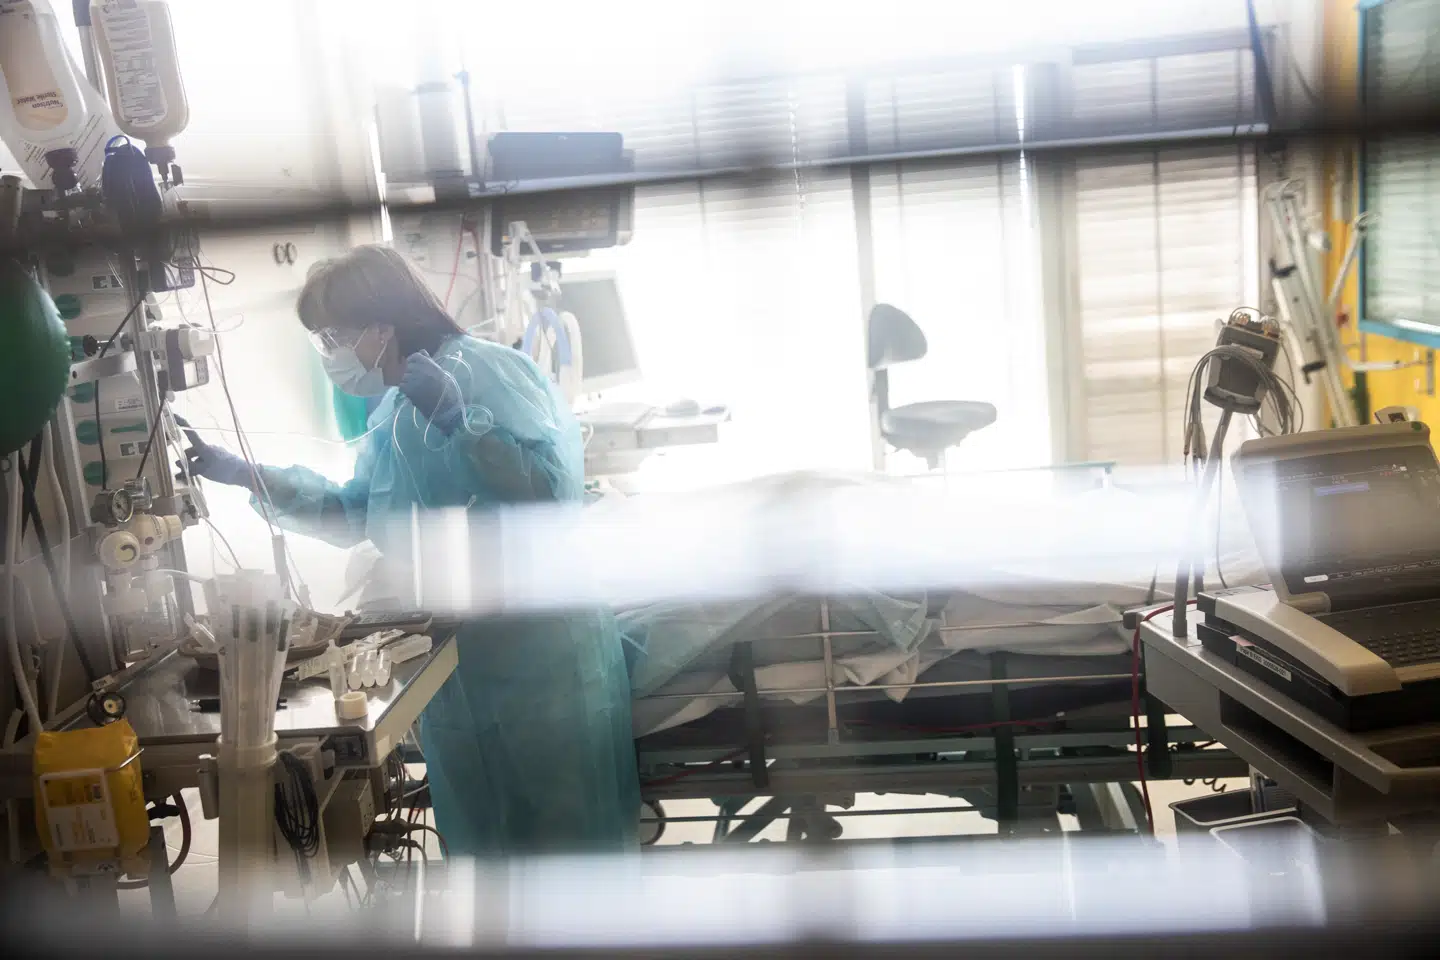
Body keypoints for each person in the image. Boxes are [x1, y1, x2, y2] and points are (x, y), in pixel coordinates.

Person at [177, 244, 639, 856]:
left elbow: (551, 494)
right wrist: (246, 475)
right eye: (321, 339)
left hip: (540, 654)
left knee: (569, 849)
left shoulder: (486, 373)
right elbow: (354, 512)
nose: (330, 353)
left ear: (382, 325)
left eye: (333, 336)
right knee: (488, 860)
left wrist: (462, 421)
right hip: (454, 661)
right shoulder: (394, 413)